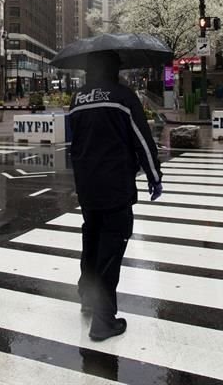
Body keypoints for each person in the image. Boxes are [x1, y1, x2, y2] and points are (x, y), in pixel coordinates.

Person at [68, 51, 163, 341]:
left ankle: (87, 296)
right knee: (110, 248)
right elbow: (143, 140)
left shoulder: (78, 99)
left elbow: (75, 142)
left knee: (92, 239)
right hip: (115, 186)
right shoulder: (122, 96)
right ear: (113, 68)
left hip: (87, 185)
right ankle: (104, 321)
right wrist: (154, 176)